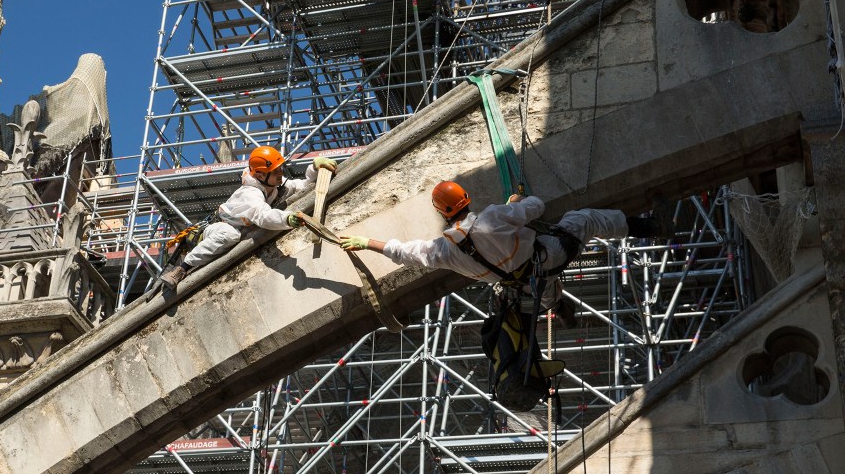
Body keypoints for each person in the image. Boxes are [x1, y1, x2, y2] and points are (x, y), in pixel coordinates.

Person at [338, 181, 663, 319]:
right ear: (466, 200)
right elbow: (537, 207)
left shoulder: (445, 250)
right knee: (585, 219)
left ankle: (559, 309)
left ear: (442, 213)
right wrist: (515, 202)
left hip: (525, 281)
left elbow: (408, 252)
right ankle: (646, 228)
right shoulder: (494, 216)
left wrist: (369, 243)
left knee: (546, 291)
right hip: (550, 255)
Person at [158, 146, 338, 289]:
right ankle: (182, 269)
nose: (280, 173)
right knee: (230, 235)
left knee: (233, 234)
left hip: (236, 227)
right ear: (260, 174)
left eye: (280, 169)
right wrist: (287, 219)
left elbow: (303, 186)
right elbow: (262, 215)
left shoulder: (274, 187)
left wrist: (314, 168)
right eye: (275, 171)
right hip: (217, 229)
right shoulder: (250, 193)